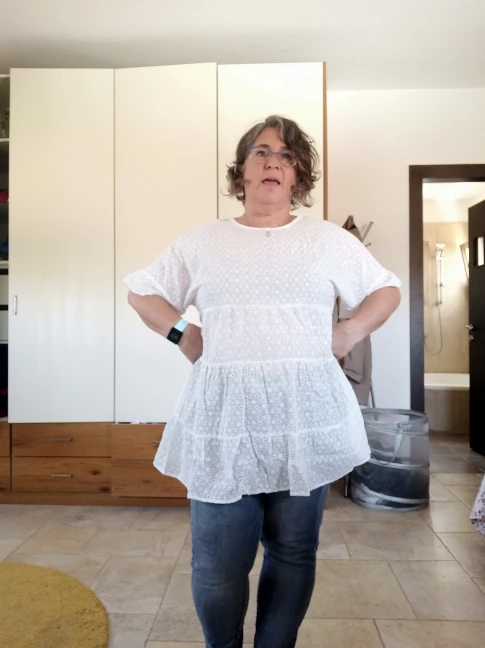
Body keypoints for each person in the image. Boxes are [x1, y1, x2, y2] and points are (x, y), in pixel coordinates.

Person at [125, 115, 401, 648]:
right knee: (217, 564)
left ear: (298, 176)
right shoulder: (204, 240)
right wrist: (184, 334)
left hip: (306, 420)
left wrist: (347, 332)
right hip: (225, 424)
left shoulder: (327, 240)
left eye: (286, 155)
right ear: (242, 171)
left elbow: (385, 289)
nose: (274, 161)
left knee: (293, 552)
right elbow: (142, 292)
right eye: (261, 152)